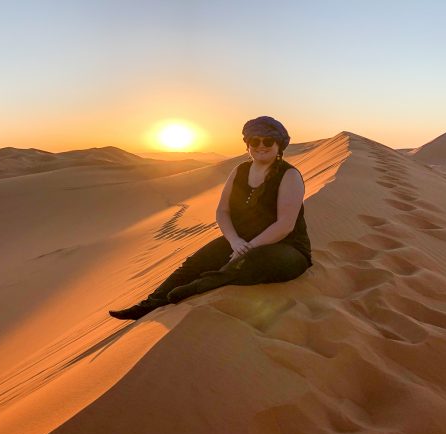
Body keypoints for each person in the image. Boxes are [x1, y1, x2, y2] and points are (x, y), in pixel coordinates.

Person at [109, 115, 312, 321]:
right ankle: (150, 304)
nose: (261, 146)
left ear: (279, 145)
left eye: (268, 141)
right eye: (254, 141)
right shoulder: (240, 171)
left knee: (251, 263)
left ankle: (197, 287)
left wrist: (248, 248)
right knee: (195, 262)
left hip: (287, 248)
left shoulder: (289, 176)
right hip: (241, 240)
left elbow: (285, 225)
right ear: (247, 144)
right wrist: (235, 241)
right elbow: (222, 211)